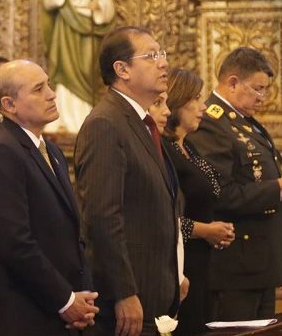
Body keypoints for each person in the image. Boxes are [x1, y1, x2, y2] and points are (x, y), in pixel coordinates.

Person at [0, 60, 98, 335]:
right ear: (9, 105)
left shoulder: (49, 151)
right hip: (23, 313)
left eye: (49, 85)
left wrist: (80, 296)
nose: (52, 94)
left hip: (57, 309)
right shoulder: (1, 153)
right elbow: (14, 242)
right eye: (39, 89)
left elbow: (70, 233)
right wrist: (65, 300)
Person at [188, 47, 282, 321]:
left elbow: (255, 180)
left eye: (266, 90)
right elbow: (220, 194)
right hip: (235, 264)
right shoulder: (211, 124)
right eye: (258, 89)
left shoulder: (246, 123)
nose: (263, 98)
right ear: (233, 82)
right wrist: (278, 189)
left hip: (259, 261)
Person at [75, 26, 180, 336]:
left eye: (162, 54)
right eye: (150, 56)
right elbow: (103, 216)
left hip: (155, 289)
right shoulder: (106, 124)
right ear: (121, 70)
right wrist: (123, 291)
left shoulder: (139, 121)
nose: (163, 63)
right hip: (129, 298)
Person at [153, 69, 235, 336]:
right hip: (179, 259)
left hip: (203, 260)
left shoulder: (190, 148)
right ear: (177, 102)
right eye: (196, 99)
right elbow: (161, 214)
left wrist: (216, 230)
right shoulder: (164, 151)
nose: (203, 107)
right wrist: (205, 230)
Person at [42, 0, 116, 132]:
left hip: (88, 28)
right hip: (65, 26)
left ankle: (84, 116)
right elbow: (47, 0)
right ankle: (63, 118)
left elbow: (108, 2)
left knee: (86, 69)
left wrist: (98, 6)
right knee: (63, 69)